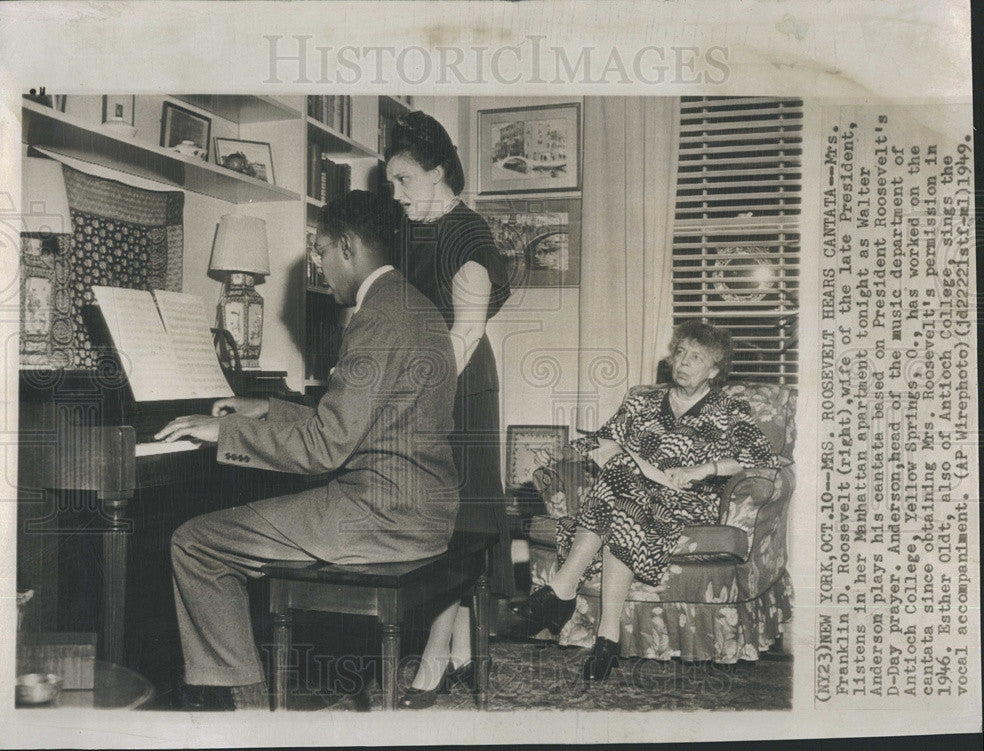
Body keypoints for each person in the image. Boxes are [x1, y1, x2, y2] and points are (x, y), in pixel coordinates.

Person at [155, 190, 459, 710]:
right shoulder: (417, 306)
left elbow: (324, 448)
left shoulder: (376, 319)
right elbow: (363, 423)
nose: (318, 266)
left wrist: (220, 432)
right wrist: (266, 409)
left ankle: (246, 710)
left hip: (378, 516)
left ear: (347, 248)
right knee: (224, 531)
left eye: (319, 253)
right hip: (425, 508)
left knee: (195, 542)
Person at [509, 322, 779, 683]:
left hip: (687, 501)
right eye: (679, 352)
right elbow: (600, 440)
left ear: (714, 370)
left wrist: (705, 468)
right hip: (630, 495)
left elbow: (761, 459)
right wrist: (570, 450)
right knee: (624, 490)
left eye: (695, 357)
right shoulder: (641, 401)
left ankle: (564, 590)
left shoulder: (730, 409)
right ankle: (607, 638)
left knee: (620, 488)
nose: (682, 362)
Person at [383, 110, 513, 708]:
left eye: (404, 179)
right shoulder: (416, 227)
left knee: (454, 524)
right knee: (447, 518)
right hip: (429, 373)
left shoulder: (466, 237)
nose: (396, 192)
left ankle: (435, 661)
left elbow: (463, 334)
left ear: (437, 173)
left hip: (456, 386)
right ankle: (461, 650)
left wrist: (418, 398)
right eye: (391, 183)